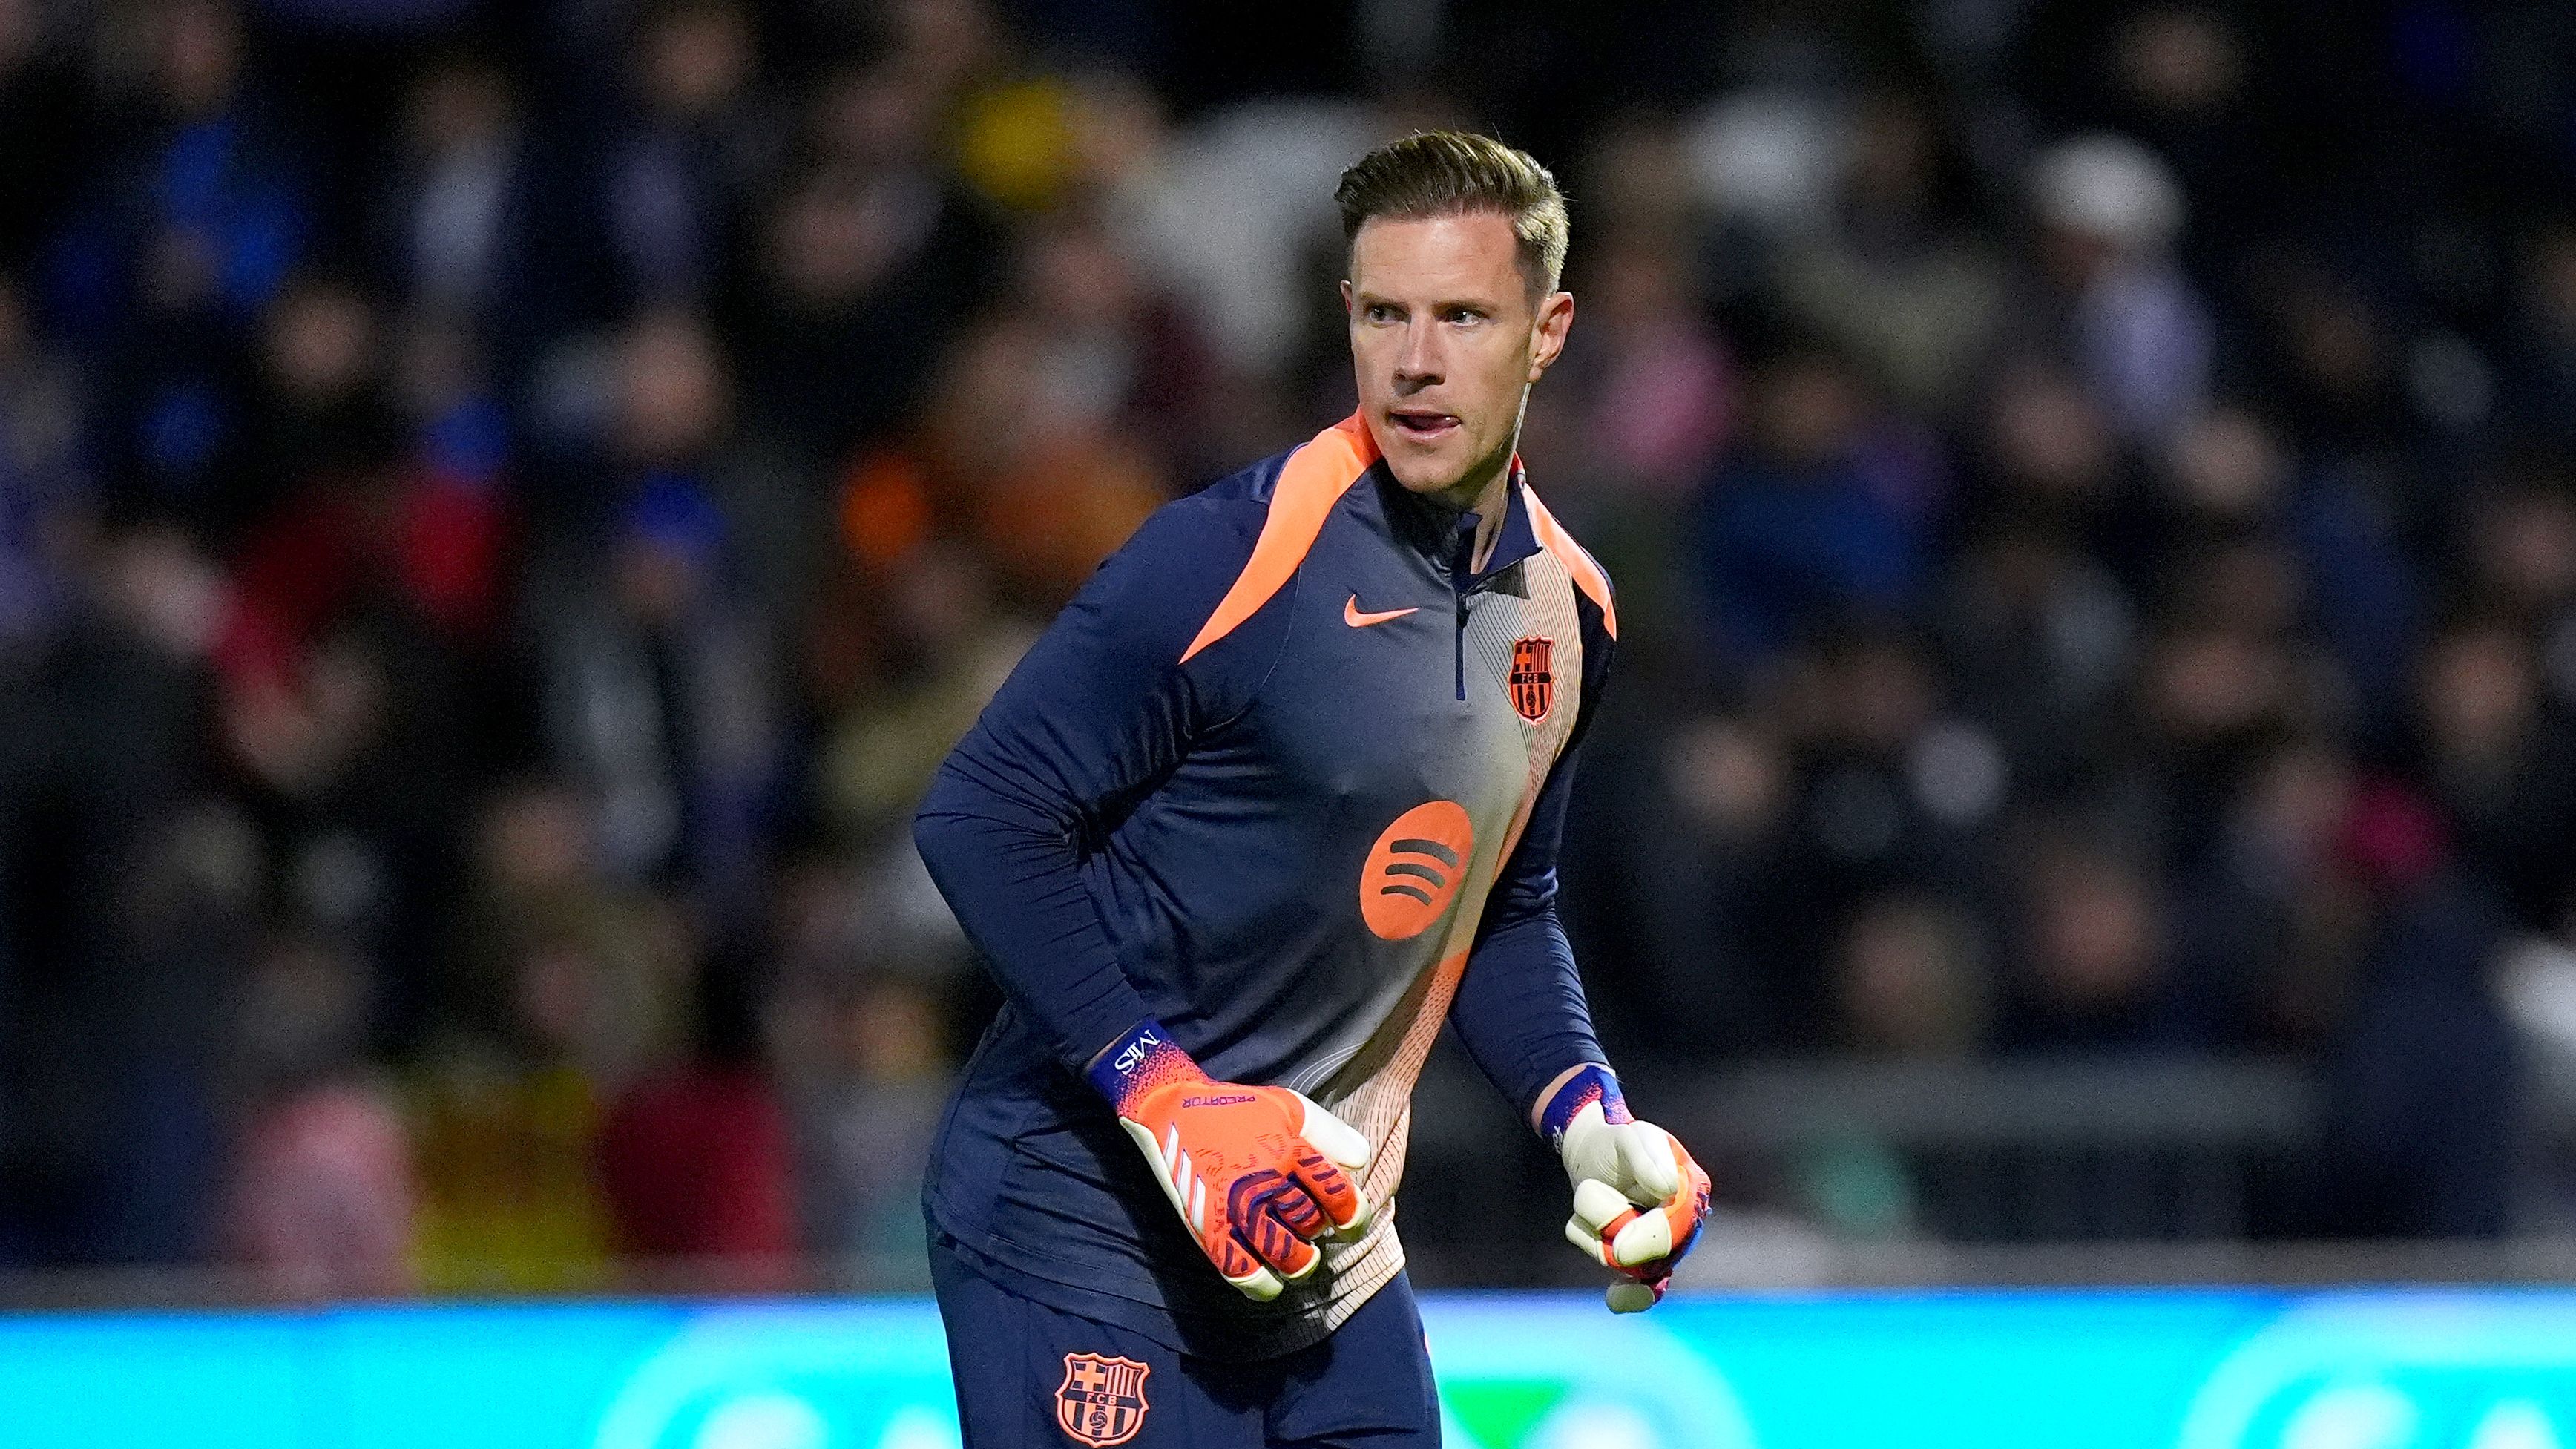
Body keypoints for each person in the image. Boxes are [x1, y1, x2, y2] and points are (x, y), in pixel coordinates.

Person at [913, 131, 1710, 1448]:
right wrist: (1162, 1094)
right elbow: (981, 814)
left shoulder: (1570, 617)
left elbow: (1503, 908)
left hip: (1325, 1254)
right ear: (1345, 317)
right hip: (1082, 1222)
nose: (1416, 358)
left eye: (1464, 315)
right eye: (1384, 312)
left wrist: (1584, 1110)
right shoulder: (1228, 556)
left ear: (1550, 329)